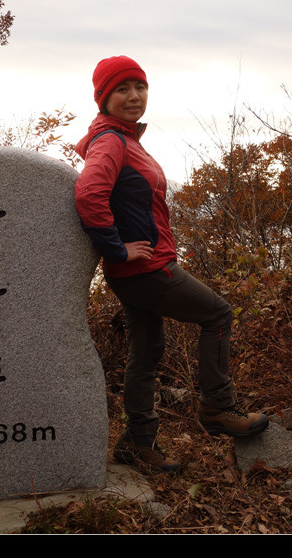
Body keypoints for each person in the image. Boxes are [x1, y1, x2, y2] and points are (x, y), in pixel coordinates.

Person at [73, 55, 269, 473]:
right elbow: (89, 194)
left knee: (146, 352)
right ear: (103, 97)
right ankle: (218, 407)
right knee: (217, 314)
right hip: (146, 270)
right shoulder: (111, 141)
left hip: (134, 272)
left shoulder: (125, 139)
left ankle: (136, 442)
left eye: (140, 87)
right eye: (122, 89)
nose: (134, 96)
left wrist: (118, 252)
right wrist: (118, 249)